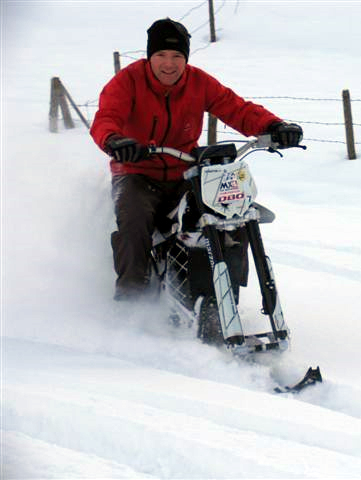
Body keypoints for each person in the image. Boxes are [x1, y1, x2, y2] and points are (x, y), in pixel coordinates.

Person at [90, 18, 303, 301]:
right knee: (134, 223)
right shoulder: (127, 82)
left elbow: (236, 108)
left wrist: (273, 127)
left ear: (186, 58)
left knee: (229, 213)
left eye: (177, 56)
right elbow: (106, 118)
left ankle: (223, 291)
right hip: (136, 171)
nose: (169, 64)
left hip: (185, 172)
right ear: (149, 56)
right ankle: (130, 300)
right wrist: (116, 141)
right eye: (161, 56)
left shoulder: (198, 82)